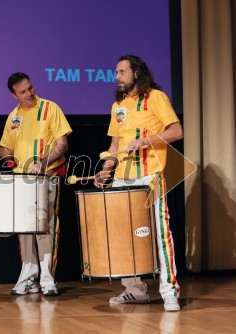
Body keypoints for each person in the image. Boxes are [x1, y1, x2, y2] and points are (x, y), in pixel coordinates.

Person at [94, 55, 183, 312]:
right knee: (125, 237)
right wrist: (106, 170)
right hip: (122, 177)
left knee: (160, 233)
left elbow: (177, 131)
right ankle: (135, 291)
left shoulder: (156, 97)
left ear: (136, 73)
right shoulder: (118, 105)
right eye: (116, 72)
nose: (117, 76)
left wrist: (146, 141)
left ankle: (169, 291)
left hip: (150, 175)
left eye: (122, 71)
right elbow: (114, 146)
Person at [0, 72, 71, 296]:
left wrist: (42, 163)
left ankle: (47, 278)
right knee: (25, 230)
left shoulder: (51, 108)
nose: (29, 93)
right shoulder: (13, 118)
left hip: (47, 176)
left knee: (45, 227)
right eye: (23, 92)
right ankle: (29, 276)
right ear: (14, 95)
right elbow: (9, 154)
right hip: (22, 180)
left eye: (30, 88)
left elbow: (62, 144)